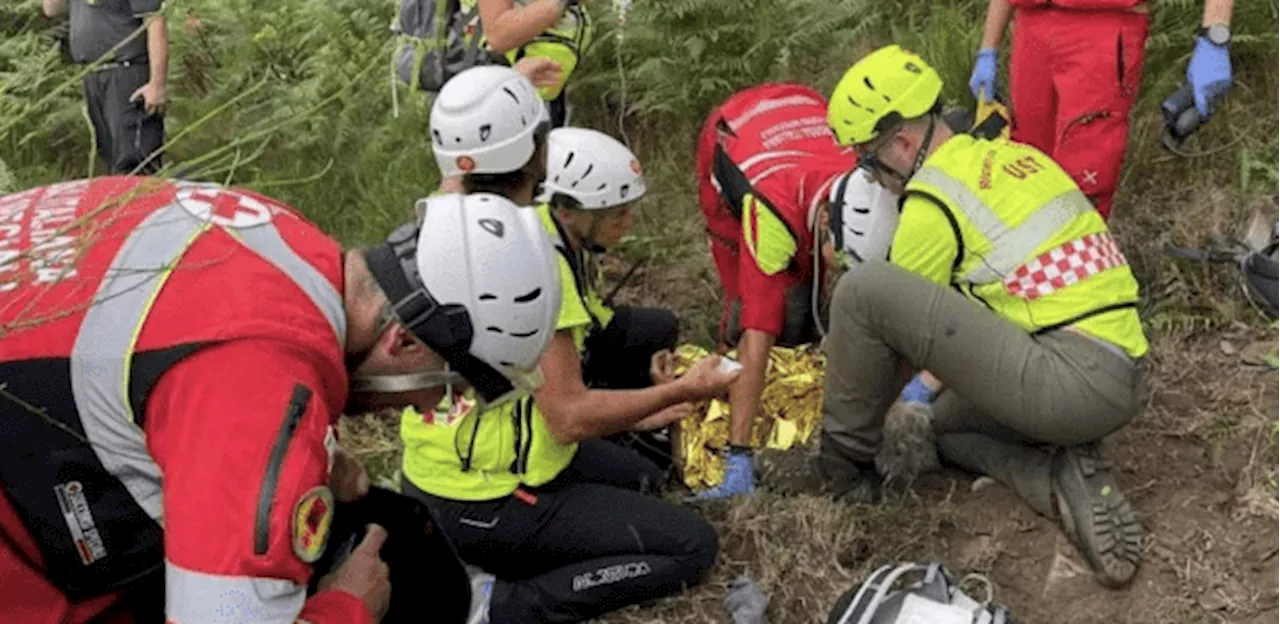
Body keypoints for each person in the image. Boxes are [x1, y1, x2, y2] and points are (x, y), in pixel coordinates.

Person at [0, 176, 564, 622]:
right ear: (406, 339)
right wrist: (347, 610)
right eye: (447, 389)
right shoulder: (258, 391)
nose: (423, 411)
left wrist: (311, 449)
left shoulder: (281, 234)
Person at [401, 65, 734, 623]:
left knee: (649, 480)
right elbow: (570, 417)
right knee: (691, 545)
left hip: (467, 461)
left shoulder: (443, 221)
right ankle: (500, 604)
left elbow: (459, 172)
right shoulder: (528, 262)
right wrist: (682, 391)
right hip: (485, 492)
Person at [821, 45, 1148, 588]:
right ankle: (1056, 476)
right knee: (944, 430)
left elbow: (900, 337)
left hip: (1068, 380)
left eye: (869, 162)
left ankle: (841, 468)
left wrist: (871, 408)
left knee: (863, 291)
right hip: (1120, 373)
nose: (875, 179)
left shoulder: (932, 202)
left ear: (901, 144)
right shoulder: (1016, 158)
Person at [689, 82, 857, 500]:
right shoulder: (771, 215)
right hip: (730, 137)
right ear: (822, 227)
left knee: (808, 300)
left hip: (804, 110)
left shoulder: (869, 187)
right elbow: (758, 331)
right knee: (755, 306)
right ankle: (735, 394)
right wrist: (740, 452)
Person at [968, 0, 1148, 220]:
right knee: (1025, 161)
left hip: (1102, 26)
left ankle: (1078, 247)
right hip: (1032, 25)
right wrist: (988, 48)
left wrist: (1204, 35)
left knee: (1086, 169)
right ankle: (1027, 248)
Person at [42, 0, 169, 174]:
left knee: (135, 163)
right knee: (111, 160)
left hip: (127, 73)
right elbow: (52, 9)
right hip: (94, 74)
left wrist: (157, 83)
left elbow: (155, 21)